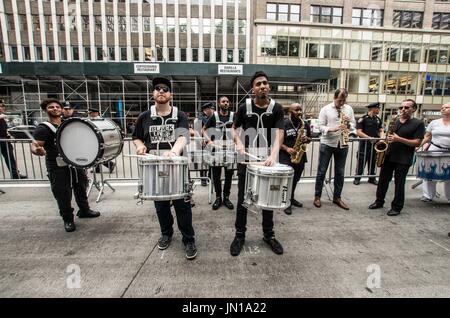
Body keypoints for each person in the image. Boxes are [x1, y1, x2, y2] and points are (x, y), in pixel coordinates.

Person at [132, 77, 197, 260]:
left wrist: (174, 152)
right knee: (160, 205)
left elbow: (183, 136)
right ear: (153, 94)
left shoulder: (180, 115)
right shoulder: (144, 116)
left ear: (171, 95)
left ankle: (188, 239)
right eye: (158, 89)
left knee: (182, 206)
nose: (161, 91)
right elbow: (135, 137)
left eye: (165, 89)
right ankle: (166, 233)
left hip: (177, 166)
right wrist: (139, 146)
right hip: (154, 167)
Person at [230, 71, 285, 256]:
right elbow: (234, 129)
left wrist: (273, 155)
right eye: (258, 84)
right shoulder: (244, 107)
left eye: (265, 83)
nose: (262, 86)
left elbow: (279, 134)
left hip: (267, 160)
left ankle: (268, 235)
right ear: (253, 89)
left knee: (268, 199)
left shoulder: (277, 108)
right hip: (246, 159)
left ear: (268, 86)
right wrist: (238, 143)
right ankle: (239, 235)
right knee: (243, 199)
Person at [31, 99, 100, 232]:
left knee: (81, 186)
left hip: (74, 163)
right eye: (51, 107)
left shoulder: (67, 125)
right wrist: (37, 150)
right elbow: (35, 146)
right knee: (63, 193)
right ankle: (68, 219)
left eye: (57, 106)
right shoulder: (43, 128)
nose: (55, 108)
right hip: (57, 165)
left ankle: (84, 210)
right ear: (45, 110)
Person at [368, 99, 425, 216]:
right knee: (383, 181)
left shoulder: (418, 123)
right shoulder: (395, 121)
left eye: (407, 107)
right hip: (389, 155)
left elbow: (417, 143)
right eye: (401, 107)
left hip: (403, 158)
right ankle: (379, 201)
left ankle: (397, 207)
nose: (403, 109)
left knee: (399, 184)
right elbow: (389, 136)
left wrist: (399, 139)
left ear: (414, 109)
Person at [313, 88, 355, 210]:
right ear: (335, 98)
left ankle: (337, 197)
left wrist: (349, 124)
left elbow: (353, 125)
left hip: (343, 143)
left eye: (344, 100)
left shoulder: (349, 109)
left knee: (340, 172)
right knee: (321, 171)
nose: (342, 103)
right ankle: (317, 196)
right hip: (327, 143)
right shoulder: (325, 109)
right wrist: (331, 129)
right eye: (340, 100)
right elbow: (319, 126)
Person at [279, 103, 312, 215]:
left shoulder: (305, 124)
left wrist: (306, 139)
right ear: (290, 112)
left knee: (296, 179)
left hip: (300, 156)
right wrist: (287, 148)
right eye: (296, 110)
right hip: (286, 156)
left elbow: (310, 139)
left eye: (300, 109)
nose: (299, 112)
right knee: (287, 181)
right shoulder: (284, 123)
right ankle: (285, 202)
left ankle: (291, 198)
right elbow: (276, 141)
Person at [203, 96, 235, 210]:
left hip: (230, 149)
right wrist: (209, 141)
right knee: (216, 175)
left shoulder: (233, 116)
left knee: (229, 175)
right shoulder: (214, 116)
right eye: (223, 101)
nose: (225, 103)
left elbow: (238, 129)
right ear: (219, 103)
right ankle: (218, 198)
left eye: (227, 101)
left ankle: (226, 197)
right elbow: (203, 130)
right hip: (216, 150)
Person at [420, 102, 450, 202]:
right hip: (434, 150)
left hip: (449, 152)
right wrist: (418, 147)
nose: (443, 109)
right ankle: (428, 195)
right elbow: (427, 137)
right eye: (442, 108)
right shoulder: (434, 122)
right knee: (430, 173)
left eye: (446, 107)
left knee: (449, 175)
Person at [353, 102, 383, 185]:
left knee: (373, 161)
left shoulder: (378, 119)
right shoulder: (363, 119)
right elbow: (358, 132)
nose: (379, 110)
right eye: (377, 108)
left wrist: (381, 139)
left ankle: (372, 178)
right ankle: (357, 178)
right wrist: (369, 138)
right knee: (361, 161)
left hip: (375, 145)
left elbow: (381, 130)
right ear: (372, 108)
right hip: (364, 145)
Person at [0, 100, 27, 179]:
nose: (1, 108)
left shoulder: (2, 118)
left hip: (5, 140)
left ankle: (15, 174)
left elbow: (4, 129)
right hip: (1, 140)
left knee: (10, 158)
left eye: (2, 106)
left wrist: (8, 134)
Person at [89, 108, 116, 173]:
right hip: (95, 139)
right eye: (90, 113)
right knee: (96, 155)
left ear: (96, 113)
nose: (90, 114)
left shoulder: (98, 120)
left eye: (92, 113)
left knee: (97, 155)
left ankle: (110, 164)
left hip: (98, 140)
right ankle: (97, 169)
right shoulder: (94, 119)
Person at [196, 102, 215, 186]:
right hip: (202, 141)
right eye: (211, 108)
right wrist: (201, 138)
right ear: (205, 110)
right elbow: (196, 130)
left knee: (212, 159)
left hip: (211, 141)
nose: (212, 110)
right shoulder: (199, 118)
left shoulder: (213, 117)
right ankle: (203, 179)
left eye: (213, 108)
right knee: (203, 160)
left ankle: (210, 177)